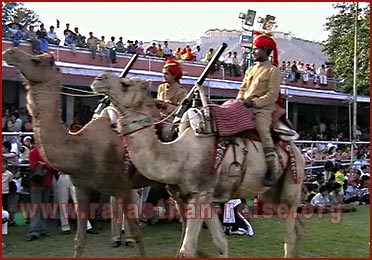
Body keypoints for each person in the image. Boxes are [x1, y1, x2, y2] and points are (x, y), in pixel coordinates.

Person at [236, 31, 281, 187]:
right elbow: (242, 89)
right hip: (244, 106)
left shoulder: (273, 71)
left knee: (262, 130)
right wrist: (239, 101)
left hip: (262, 110)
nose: (254, 52)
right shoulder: (251, 69)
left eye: (256, 49)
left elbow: (272, 96)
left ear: (265, 50)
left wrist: (254, 104)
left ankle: (272, 169)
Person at [25, 147, 58, 241]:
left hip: (45, 183)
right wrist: (47, 165)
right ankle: (35, 230)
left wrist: (44, 165)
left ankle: (40, 229)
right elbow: (34, 166)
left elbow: (55, 167)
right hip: (39, 183)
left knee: (42, 207)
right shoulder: (36, 152)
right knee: (37, 207)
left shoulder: (43, 152)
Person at [156, 59, 187, 141]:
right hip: (158, 118)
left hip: (171, 121)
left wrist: (166, 106)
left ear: (174, 75)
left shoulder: (181, 91)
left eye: (166, 74)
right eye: (163, 73)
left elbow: (182, 111)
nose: (164, 76)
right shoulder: (161, 87)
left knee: (166, 133)